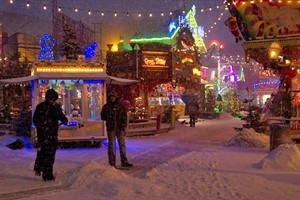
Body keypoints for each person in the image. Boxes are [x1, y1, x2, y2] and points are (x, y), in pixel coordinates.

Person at [33, 89, 68, 181]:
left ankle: (40, 168)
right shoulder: (55, 107)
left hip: (42, 135)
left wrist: (42, 127)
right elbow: (64, 120)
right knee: (50, 154)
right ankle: (47, 174)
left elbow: (35, 120)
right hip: (51, 134)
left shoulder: (40, 106)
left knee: (42, 152)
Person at [101, 90, 133, 168]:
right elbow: (103, 117)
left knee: (121, 144)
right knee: (111, 145)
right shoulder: (106, 107)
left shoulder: (120, 107)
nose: (112, 98)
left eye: (113, 97)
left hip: (119, 128)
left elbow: (124, 117)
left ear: (116, 97)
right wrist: (110, 118)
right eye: (111, 97)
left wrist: (122, 126)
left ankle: (124, 161)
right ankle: (112, 162)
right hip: (111, 128)